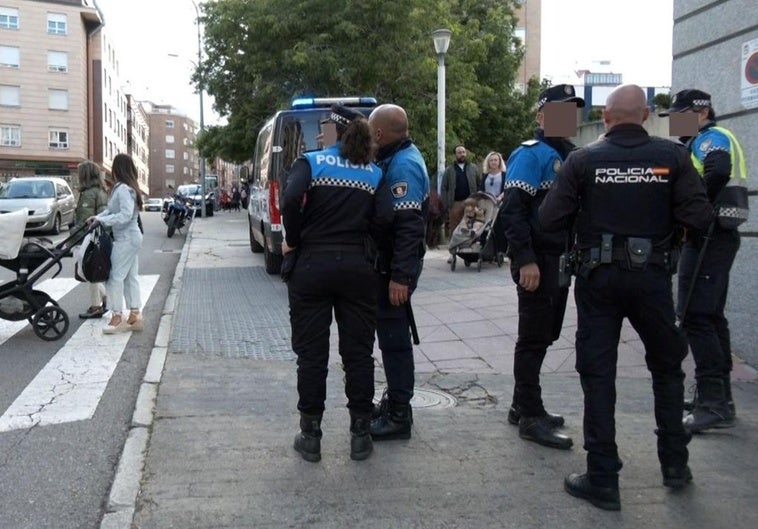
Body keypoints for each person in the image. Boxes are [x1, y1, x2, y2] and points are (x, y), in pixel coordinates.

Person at [539, 84, 714, 510]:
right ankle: (674, 464)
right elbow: (699, 217)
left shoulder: (583, 159)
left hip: (598, 280)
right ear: (648, 113)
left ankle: (602, 477)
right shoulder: (673, 157)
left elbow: (549, 220)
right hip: (652, 278)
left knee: (598, 375)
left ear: (608, 116)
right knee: (667, 369)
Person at [281, 104, 393, 463]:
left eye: (325, 126)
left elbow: (289, 199)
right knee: (358, 354)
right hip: (358, 269)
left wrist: (295, 239)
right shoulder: (373, 172)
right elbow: (387, 218)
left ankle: (310, 435)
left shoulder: (311, 163)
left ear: (333, 130)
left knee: (312, 354)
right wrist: (366, 242)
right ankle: (360, 435)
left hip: (312, 266)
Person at [500, 84, 585, 450]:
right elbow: (513, 211)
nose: (570, 116)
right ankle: (531, 416)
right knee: (534, 337)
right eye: (560, 109)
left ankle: (523, 404)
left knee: (546, 334)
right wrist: (525, 260)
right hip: (539, 261)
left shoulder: (570, 156)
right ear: (541, 116)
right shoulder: (531, 155)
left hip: (560, 260)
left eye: (573, 109)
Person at [660, 89, 749, 432]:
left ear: (702, 111)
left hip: (709, 235)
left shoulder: (710, 138)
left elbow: (717, 170)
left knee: (696, 316)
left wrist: (690, 210)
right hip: (716, 235)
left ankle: (713, 402)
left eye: (681, 115)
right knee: (710, 318)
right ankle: (718, 398)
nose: (676, 124)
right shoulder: (705, 138)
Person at [367, 104, 430, 441]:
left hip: (395, 267)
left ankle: (399, 414)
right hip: (390, 264)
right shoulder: (396, 157)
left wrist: (400, 277)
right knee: (392, 336)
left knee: (394, 340)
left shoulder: (403, 165)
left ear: (379, 134)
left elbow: (408, 227)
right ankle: (394, 400)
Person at [86, 153, 144, 334]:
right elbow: (111, 210)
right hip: (130, 237)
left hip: (126, 238)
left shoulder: (124, 189)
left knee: (115, 277)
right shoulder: (126, 188)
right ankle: (135, 314)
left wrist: (103, 221)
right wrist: (98, 217)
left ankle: (117, 317)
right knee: (130, 276)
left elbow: (125, 215)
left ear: (117, 169)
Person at [74, 161, 109, 319]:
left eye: (80, 173)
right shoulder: (91, 191)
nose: (78, 176)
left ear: (86, 175)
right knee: (87, 271)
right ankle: (106, 296)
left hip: (90, 237)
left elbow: (100, 215)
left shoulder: (93, 193)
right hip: (86, 236)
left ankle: (96, 306)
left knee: (89, 271)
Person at [441, 145, 480, 233]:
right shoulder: (449, 170)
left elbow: (479, 184)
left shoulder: (473, 168)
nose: (462, 154)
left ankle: (468, 246)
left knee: (470, 227)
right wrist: (446, 204)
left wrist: (477, 200)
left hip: (471, 202)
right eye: (459, 152)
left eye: (463, 152)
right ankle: (454, 246)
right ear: (455, 155)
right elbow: (444, 188)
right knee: (454, 228)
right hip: (455, 204)